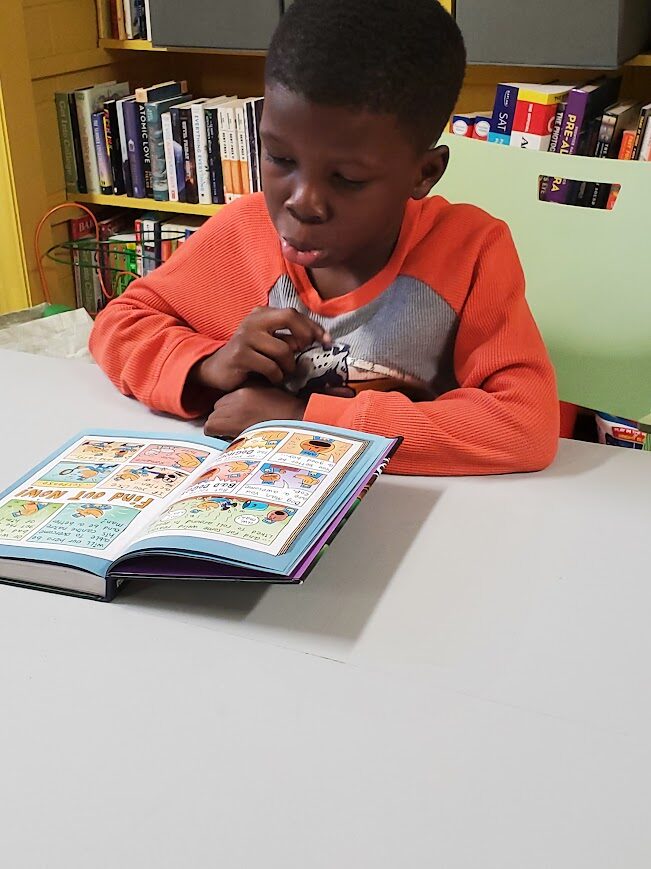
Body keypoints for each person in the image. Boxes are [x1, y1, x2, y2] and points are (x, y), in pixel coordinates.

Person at [90, 0, 559, 476]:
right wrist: (210, 364)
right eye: (279, 158)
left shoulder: (472, 251)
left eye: (348, 179)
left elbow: (526, 425)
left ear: (424, 173)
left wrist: (306, 421)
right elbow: (120, 324)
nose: (303, 202)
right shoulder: (243, 231)